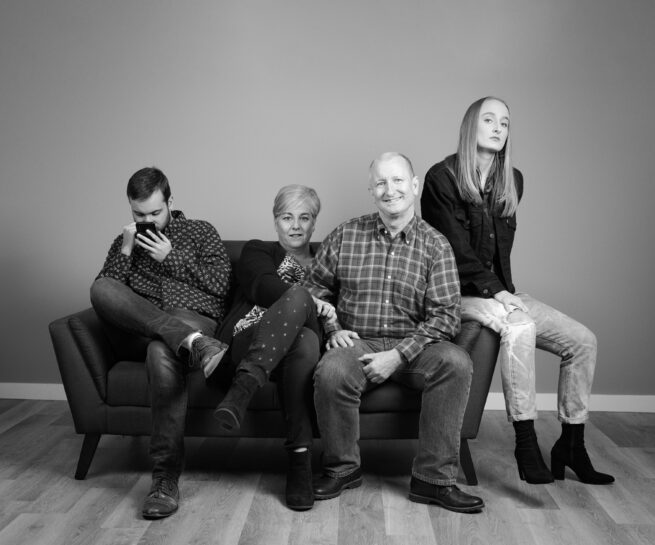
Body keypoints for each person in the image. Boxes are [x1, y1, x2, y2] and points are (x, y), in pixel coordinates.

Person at [421, 96, 614, 486]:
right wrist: (498, 295)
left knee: (583, 341)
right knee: (520, 327)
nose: (497, 128)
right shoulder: (441, 178)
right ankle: (525, 443)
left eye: (504, 123)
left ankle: (571, 444)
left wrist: (504, 293)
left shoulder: (513, 180)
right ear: (470, 126)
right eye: (488, 120)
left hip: (502, 292)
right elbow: (455, 252)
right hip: (458, 294)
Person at [303, 152, 484, 514]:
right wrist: (332, 327)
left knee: (456, 362)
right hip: (358, 340)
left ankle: (433, 481)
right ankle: (342, 470)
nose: (390, 190)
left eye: (398, 180)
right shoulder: (345, 234)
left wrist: (399, 355)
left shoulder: (436, 244)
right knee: (332, 370)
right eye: (381, 182)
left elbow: (447, 317)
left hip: (416, 346)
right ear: (371, 190)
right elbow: (313, 290)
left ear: (414, 186)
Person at [90, 167, 232, 519]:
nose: (148, 221)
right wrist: (125, 249)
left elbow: (221, 286)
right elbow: (109, 294)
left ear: (171, 201)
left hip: (192, 317)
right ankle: (192, 343)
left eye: (156, 212)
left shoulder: (201, 231)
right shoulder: (124, 241)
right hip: (138, 328)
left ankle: (165, 478)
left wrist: (172, 257)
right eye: (139, 214)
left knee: (162, 348)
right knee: (101, 287)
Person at [214, 185, 335, 511]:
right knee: (301, 323)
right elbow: (262, 286)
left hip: (307, 341)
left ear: (314, 223)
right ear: (275, 220)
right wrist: (307, 297)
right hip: (247, 339)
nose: (295, 226)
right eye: (287, 217)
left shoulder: (328, 262)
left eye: (304, 218)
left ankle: (243, 390)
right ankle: (299, 462)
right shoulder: (258, 251)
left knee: (307, 333)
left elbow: (339, 315)